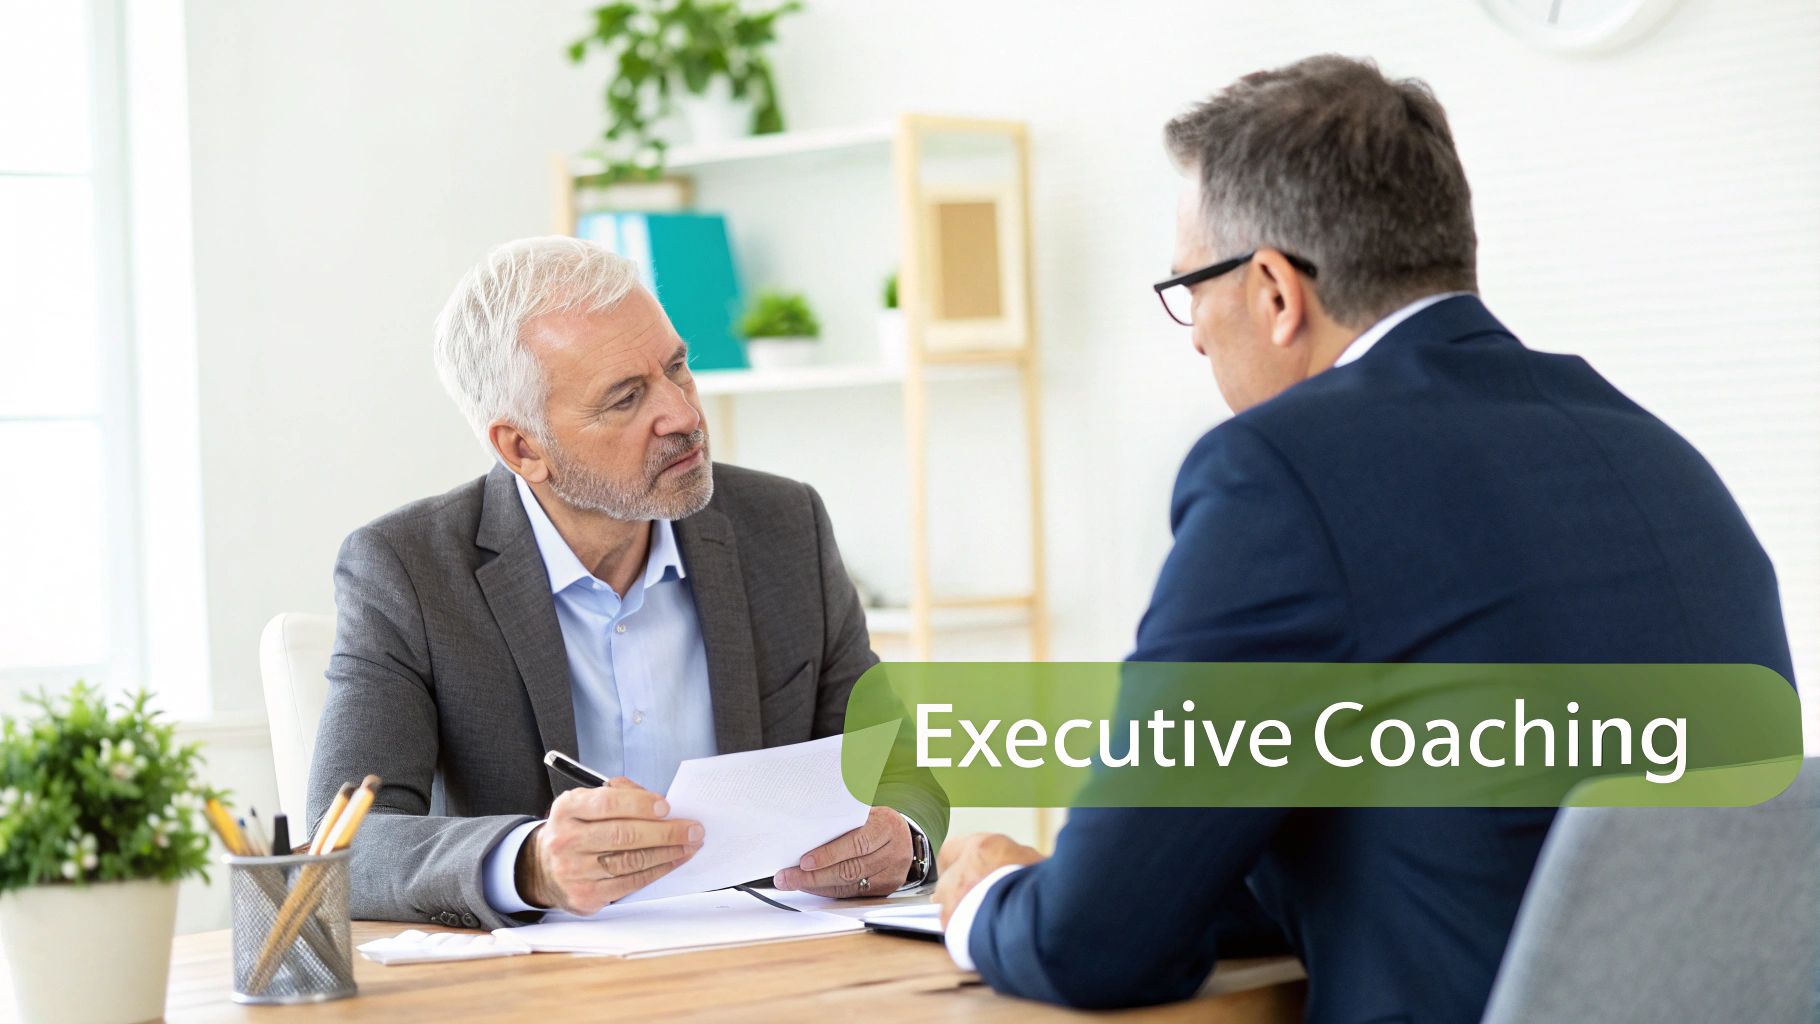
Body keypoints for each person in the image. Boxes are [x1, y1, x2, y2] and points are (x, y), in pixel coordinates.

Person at [933, 55, 1793, 1019]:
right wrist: (1136, 879)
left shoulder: (1280, 477)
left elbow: (1089, 945)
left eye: (1190, 290)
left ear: (1272, 290)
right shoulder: (1657, 457)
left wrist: (991, 901)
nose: (1196, 337)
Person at [308, 238, 944, 929]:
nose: (682, 415)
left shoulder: (784, 526)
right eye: (626, 398)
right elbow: (343, 846)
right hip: (534, 990)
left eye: (678, 369)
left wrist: (902, 840)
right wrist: (531, 863)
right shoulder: (407, 570)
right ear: (523, 448)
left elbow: (895, 767)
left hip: (766, 963)